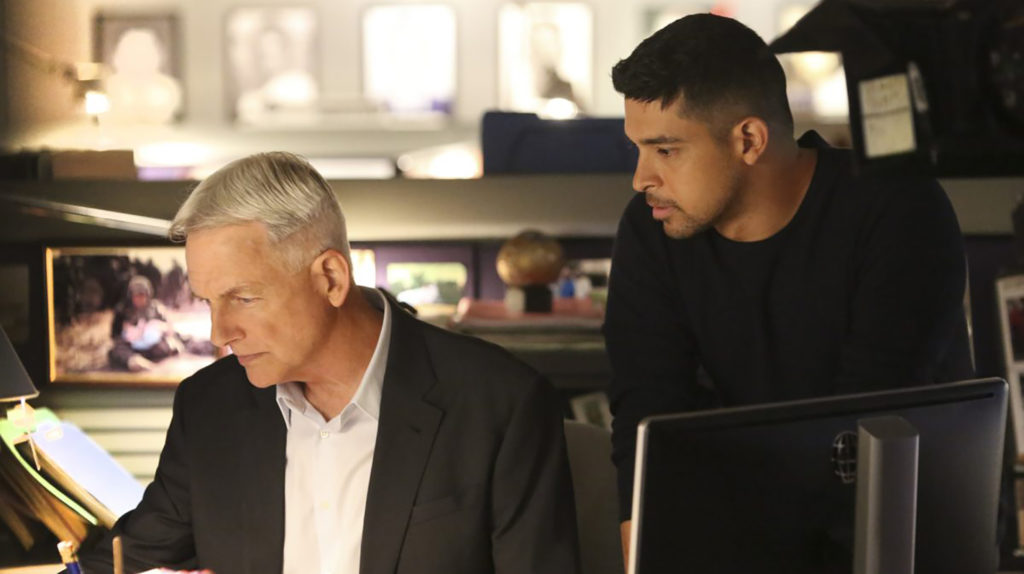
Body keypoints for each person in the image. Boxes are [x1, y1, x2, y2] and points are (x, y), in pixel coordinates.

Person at [79, 152, 580, 574]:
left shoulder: (500, 403)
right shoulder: (207, 407)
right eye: (209, 302)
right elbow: (124, 559)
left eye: (243, 298)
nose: (219, 334)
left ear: (331, 279)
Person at [602, 13, 973, 567]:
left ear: (749, 139)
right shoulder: (651, 228)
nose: (642, 178)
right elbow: (646, 415)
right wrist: (644, 548)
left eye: (666, 150)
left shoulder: (896, 208)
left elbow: (865, 431)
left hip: (899, 536)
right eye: (638, 149)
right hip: (741, 539)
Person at [108, 274, 180, 372]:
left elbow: (168, 328)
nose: (139, 299)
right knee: (115, 351)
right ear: (131, 296)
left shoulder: (156, 308)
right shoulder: (122, 311)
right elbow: (115, 335)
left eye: (142, 295)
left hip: (154, 347)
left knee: (170, 343)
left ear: (148, 295)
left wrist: (167, 335)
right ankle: (134, 361)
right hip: (132, 348)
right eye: (136, 295)